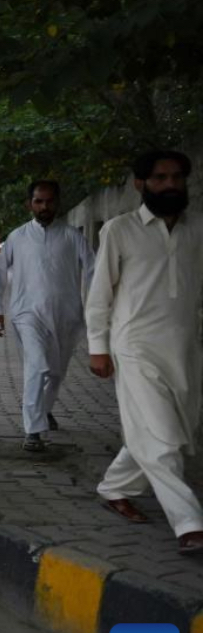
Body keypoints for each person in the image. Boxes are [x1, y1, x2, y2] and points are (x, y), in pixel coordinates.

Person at [85, 150, 203, 555]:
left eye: (177, 177)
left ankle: (114, 486)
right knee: (163, 439)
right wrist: (98, 347)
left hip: (185, 347)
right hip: (134, 348)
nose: (170, 184)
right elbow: (99, 295)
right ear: (140, 184)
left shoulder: (197, 229)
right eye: (160, 178)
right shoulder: (119, 230)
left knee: (175, 430)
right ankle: (189, 523)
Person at [0, 181, 95, 451]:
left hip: (66, 316)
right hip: (27, 314)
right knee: (37, 366)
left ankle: (44, 410)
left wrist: (97, 309)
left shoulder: (72, 236)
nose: (44, 206)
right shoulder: (17, 237)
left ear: (57, 203)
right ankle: (33, 431)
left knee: (56, 373)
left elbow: (94, 270)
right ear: (29, 204)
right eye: (38, 201)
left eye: (49, 201)